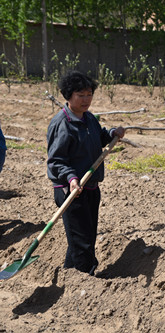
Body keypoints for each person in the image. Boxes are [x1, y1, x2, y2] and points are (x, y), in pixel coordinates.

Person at [47, 70, 125, 275]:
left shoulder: (89, 118)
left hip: (90, 186)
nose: (86, 99)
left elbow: (98, 138)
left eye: (89, 94)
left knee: (85, 236)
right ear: (68, 95)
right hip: (70, 190)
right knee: (81, 241)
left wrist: (111, 135)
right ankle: (85, 278)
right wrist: (71, 178)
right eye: (80, 95)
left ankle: (70, 274)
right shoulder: (62, 124)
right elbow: (56, 161)